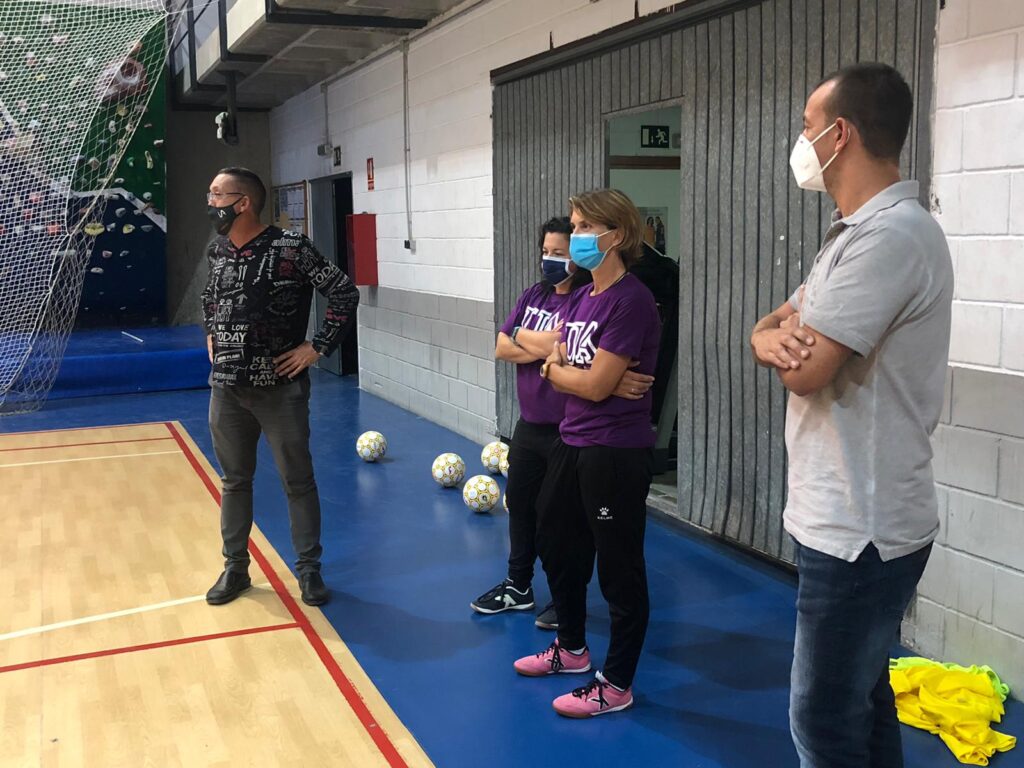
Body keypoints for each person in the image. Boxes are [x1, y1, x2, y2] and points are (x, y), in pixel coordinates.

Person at [749, 63, 952, 767]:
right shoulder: (852, 235)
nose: (800, 141)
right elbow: (777, 322)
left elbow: (806, 370)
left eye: (806, 128)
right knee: (862, 700)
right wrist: (763, 335)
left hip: (861, 531)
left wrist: (777, 342)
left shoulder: (887, 238)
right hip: (843, 519)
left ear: (840, 134)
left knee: (823, 719)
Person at [514, 189, 661, 719]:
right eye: (573, 226)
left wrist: (575, 376)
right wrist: (577, 374)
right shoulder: (579, 297)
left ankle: (617, 683)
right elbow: (558, 356)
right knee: (556, 543)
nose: (574, 238)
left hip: (613, 453)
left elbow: (595, 384)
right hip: (571, 442)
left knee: (619, 567)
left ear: (615, 236)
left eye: (582, 227)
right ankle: (572, 650)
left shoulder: (631, 299)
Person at [200, 167, 359, 607]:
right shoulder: (217, 251)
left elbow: (344, 292)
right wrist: (210, 333)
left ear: (243, 202)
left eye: (216, 193)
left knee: (298, 481)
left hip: (279, 390)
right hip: (226, 390)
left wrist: (317, 347)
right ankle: (235, 568)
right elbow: (210, 299)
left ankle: (309, 571)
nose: (210, 201)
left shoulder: (292, 248)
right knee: (235, 481)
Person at [470, 217, 590, 630]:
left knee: (561, 520)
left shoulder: (585, 298)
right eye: (547, 251)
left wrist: (527, 337)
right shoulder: (534, 294)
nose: (550, 259)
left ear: (579, 257)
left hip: (567, 429)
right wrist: (537, 342)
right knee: (519, 506)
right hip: (530, 425)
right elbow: (502, 346)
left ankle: (565, 598)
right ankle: (518, 586)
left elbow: (566, 345)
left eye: (560, 253)